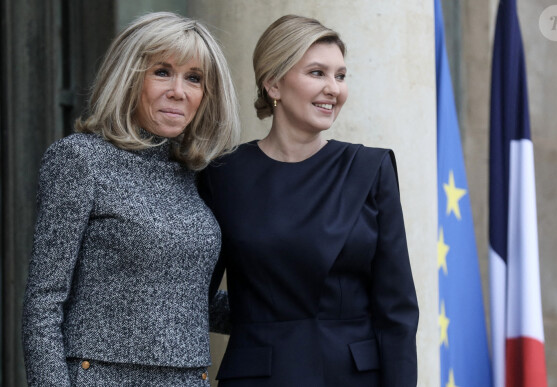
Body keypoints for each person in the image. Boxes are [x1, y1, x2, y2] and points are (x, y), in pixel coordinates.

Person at [199, 14, 419, 387]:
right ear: (273, 84)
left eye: (341, 75)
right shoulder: (222, 174)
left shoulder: (369, 168)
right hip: (258, 377)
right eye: (317, 73)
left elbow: (396, 311)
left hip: (353, 378)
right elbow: (192, 295)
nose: (334, 88)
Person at [22, 12, 238, 386]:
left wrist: (293, 305)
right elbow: (44, 302)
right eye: (161, 71)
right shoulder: (80, 159)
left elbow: (188, 301)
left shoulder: (198, 174)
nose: (178, 91)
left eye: (194, 78)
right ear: (128, 77)